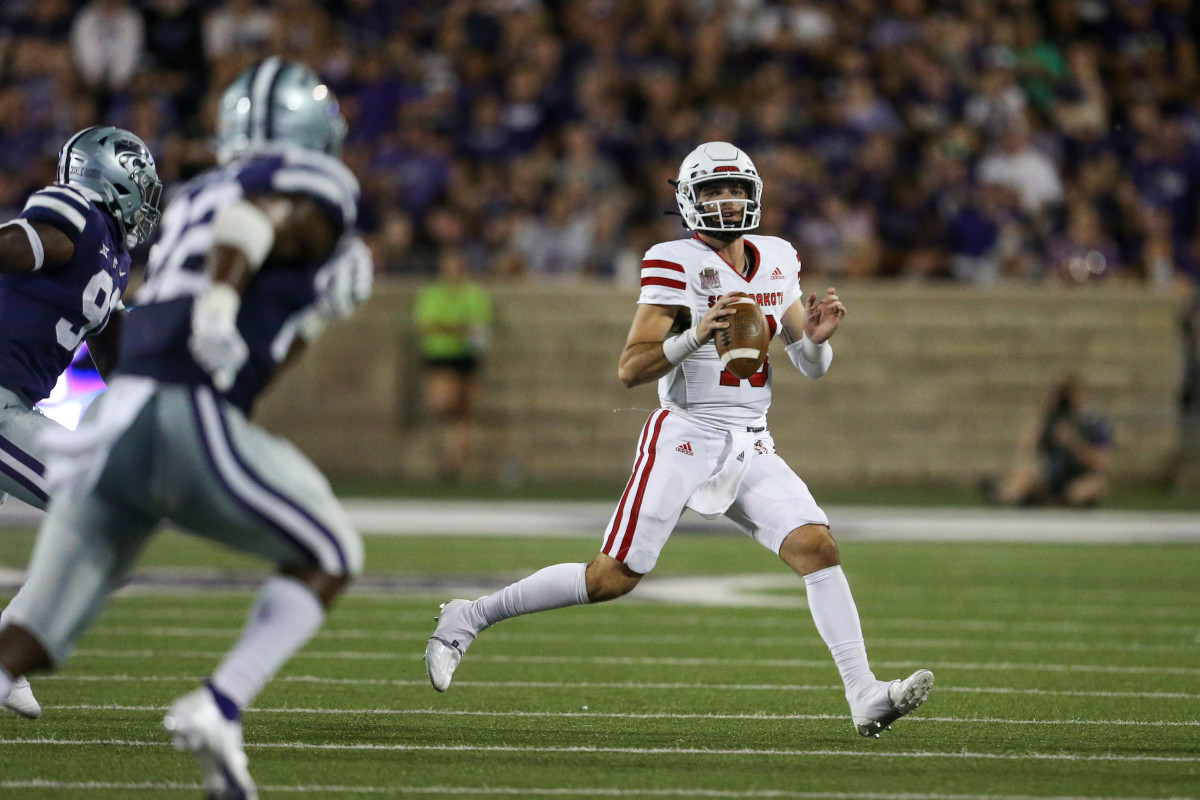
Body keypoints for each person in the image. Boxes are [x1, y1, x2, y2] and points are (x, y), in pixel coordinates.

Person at [425, 141, 934, 738]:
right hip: (686, 433)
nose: (727, 200)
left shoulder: (777, 257)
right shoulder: (673, 260)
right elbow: (631, 368)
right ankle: (471, 615)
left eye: (736, 189)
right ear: (689, 202)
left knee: (816, 547)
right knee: (611, 578)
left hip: (751, 439)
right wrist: (695, 335)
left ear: (756, 194)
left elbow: (811, 367)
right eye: (714, 191)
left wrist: (817, 340)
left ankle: (864, 693)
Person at [0, 57, 372, 800]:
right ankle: (219, 704)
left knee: (60, 595)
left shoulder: (171, 219)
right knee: (331, 547)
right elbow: (250, 223)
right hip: (153, 404)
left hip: (133, 407)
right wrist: (219, 311)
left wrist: (308, 316)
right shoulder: (83, 211)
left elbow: (120, 347)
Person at [0, 125, 162, 720]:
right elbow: (21, 242)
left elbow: (118, 351)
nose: (147, 199)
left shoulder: (114, 257)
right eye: (140, 183)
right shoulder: (77, 209)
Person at [413, 249, 492, 481]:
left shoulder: (474, 294)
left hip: (466, 357)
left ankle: (454, 459)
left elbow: (479, 327)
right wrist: (459, 329)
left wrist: (449, 328)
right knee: (444, 405)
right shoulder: (433, 294)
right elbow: (428, 325)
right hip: (440, 356)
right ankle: (448, 454)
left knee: (463, 412)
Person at [988, 375, 1113, 507]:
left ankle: (1057, 502)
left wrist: (1074, 443)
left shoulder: (1093, 423)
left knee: (1090, 487)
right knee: (1024, 476)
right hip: (1052, 476)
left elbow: (1102, 462)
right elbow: (1026, 450)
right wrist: (1043, 424)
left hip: (1078, 476)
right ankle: (1006, 495)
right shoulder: (1051, 421)